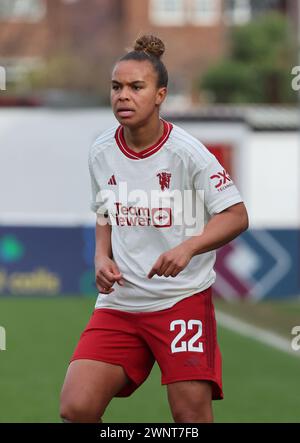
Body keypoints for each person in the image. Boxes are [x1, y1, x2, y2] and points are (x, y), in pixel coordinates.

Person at [60, 35, 248, 424]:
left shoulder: (188, 152)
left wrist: (188, 248)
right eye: (116, 87)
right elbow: (103, 212)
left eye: (136, 87)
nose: (123, 96)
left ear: (160, 94)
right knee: (76, 407)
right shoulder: (101, 152)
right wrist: (100, 256)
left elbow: (235, 214)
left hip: (181, 300)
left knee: (190, 415)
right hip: (121, 304)